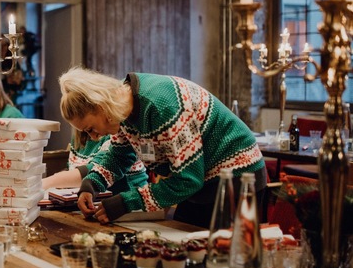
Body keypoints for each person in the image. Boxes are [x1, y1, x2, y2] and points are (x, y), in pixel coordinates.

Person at [59, 67, 266, 228]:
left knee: (219, 260)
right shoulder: (121, 108)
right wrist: (91, 184)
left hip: (237, 177)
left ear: (102, 107)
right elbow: (119, 156)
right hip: (201, 183)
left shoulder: (162, 107)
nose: (93, 136)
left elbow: (187, 180)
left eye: (91, 128)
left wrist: (127, 202)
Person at [41, 129, 148, 194]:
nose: (91, 134)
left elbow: (95, 170)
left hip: (128, 202)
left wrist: (44, 183)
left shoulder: (112, 133)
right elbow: (72, 169)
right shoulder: (79, 137)